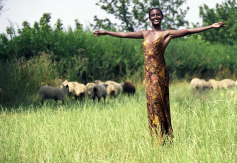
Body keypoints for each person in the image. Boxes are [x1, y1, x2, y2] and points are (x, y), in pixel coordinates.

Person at [94, 8, 225, 141]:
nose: (155, 16)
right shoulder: (144, 34)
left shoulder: (166, 34)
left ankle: (164, 135)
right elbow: (124, 34)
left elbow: (189, 31)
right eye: (153, 15)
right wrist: (106, 32)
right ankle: (156, 135)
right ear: (149, 18)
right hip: (148, 74)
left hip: (159, 73)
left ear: (162, 16)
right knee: (151, 103)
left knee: (158, 102)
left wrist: (210, 26)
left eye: (158, 14)